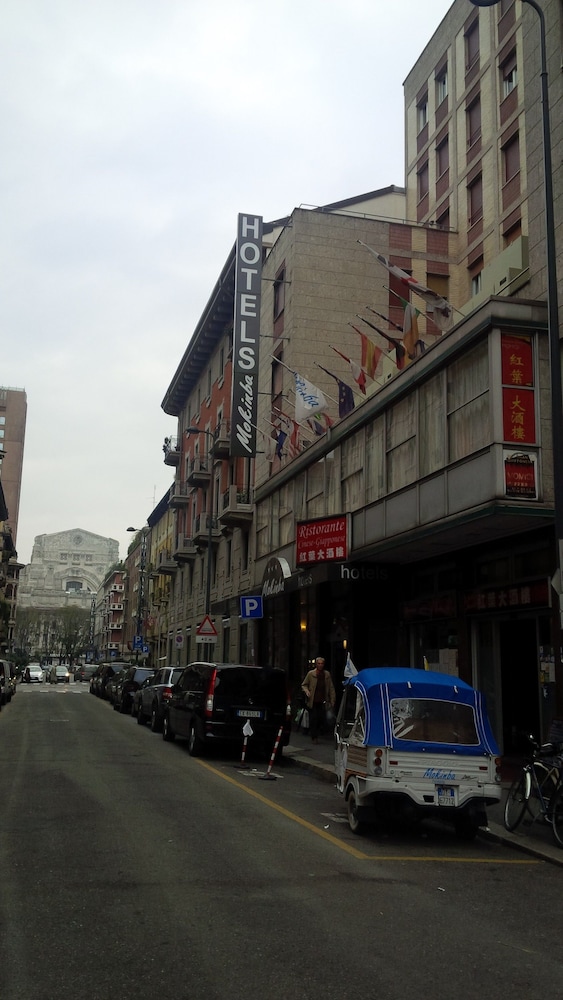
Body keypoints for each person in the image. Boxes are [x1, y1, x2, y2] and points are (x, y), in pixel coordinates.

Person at [301, 656, 336, 744]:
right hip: (313, 700)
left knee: (321, 718)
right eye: (319, 663)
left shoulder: (326, 675)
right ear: (316, 664)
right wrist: (307, 691)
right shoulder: (311, 674)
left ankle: (319, 732)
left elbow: (331, 688)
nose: (320, 665)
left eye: (322, 663)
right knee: (313, 719)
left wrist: (332, 700)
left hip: (322, 700)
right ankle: (314, 736)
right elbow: (304, 684)